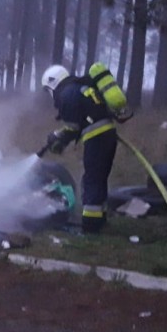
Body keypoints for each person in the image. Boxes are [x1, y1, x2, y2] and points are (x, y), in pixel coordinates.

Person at [40, 63, 118, 233]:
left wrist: (57, 136)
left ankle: (91, 226)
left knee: (91, 180)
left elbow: (73, 127)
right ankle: (100, 219)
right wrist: (61, 138)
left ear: (53, 82)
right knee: (98, 178)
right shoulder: (78, 88)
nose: (50, 94)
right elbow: (79, 122)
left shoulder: (67, 94)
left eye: (48, 89)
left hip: (96, 138)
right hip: (108, 135)